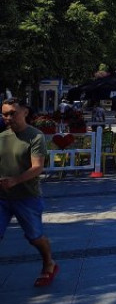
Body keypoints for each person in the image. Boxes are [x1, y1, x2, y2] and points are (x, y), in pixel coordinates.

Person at [0, 98, 58, 288]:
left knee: (34, 236)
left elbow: (37, 167)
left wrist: (15, 180)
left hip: (26, 196)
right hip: (2, 197)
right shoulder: (1, 137)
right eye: (5, 114)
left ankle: (49, 262)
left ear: (24, 112)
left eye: (12, 113)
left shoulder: (35, 136)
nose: (8, 117)